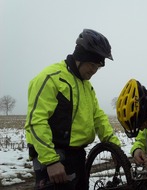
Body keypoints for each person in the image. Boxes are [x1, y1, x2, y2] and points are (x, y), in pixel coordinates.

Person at [24, 29, 121, 190]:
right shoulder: (51, 78)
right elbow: (36, 121)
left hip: (77, 155)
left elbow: (99, 118)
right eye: (92, 64)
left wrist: (115, 148)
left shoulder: (87, 86)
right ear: (81, 56)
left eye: (98, 67)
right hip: (52, 155)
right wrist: (51, 161)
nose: (94, 70)